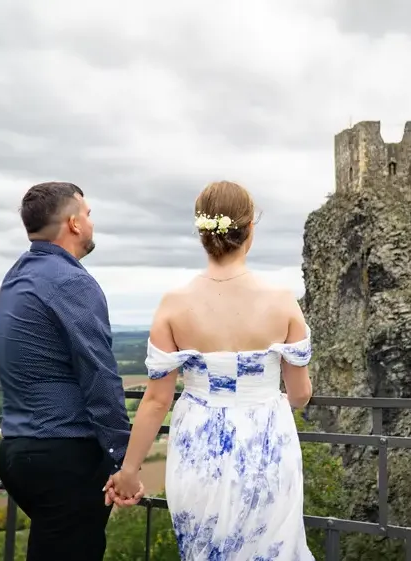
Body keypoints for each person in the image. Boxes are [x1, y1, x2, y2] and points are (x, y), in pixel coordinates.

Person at [105, 181, 315, 560]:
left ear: (202, 233)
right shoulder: (283, 301)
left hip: (198, 451)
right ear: (250, 229)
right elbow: (300, 395)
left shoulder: (173, 304)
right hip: (266, 447)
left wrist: (129, 471)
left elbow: (156, 401)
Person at [0, 182, 142, 561]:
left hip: (17, 448)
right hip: (63, 455)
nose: (91, 222)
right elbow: (99, 373)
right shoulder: (71, 281)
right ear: (74, 223)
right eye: (88, 214)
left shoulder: (18, 275)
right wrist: (124, 461)